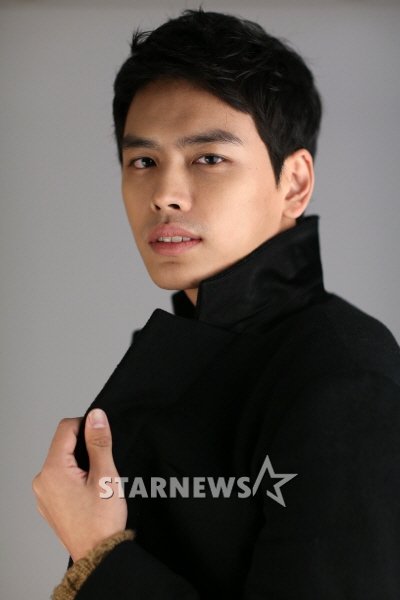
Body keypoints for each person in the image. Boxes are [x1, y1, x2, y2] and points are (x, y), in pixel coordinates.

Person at [32, 8, 400, 600]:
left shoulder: (341, 375)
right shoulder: (197, 349)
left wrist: (99, 556)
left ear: (294, 183)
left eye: (209, 158)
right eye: (143, 161)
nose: (165, 195)